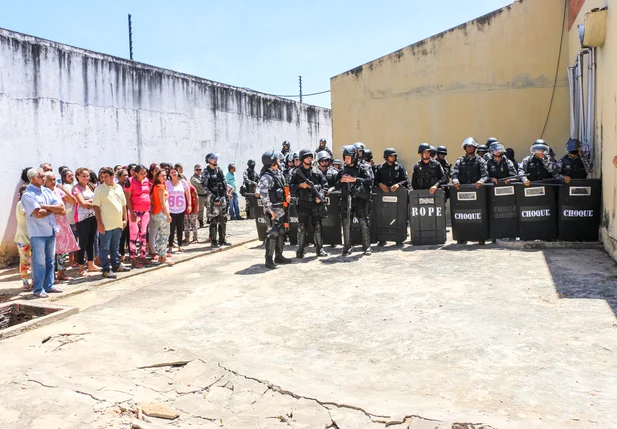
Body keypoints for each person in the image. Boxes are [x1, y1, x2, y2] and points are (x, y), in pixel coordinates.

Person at [21, 168, 65, 298]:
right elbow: (38, 214)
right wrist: (52, 208)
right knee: (39, 261)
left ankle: (49, 285)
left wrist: (44, 206)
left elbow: (61, 207)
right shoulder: (28, 194)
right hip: (38, 232)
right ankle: (38, 289)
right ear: (33, 178)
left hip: (51, 229)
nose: (43, 178)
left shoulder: (46, 191)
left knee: (50, 260)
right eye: (41, 176)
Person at [334, 145, 374, 256]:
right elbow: (336, 185)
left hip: (359, 199)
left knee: (363, 222)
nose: (346, 160)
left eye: (348, 157)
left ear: (354, 157)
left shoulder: (362, 168)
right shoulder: (342, 170)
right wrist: (341, 180)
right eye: (345, 157)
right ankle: (347, 247)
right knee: (346, 224)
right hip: (346, 199)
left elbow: (369, 181)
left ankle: (367, 246)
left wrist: (354, 179)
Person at [290, 149, 329, 258]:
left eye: (310, 157)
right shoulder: (296, 173)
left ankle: (320, 249)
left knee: (317, 226)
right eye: (307, 157)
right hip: (303, 203)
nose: (309, 159)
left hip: (315, 204)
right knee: (302, 227)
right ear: (302, 159)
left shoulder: (317, 171)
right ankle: (300, 250)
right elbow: (291, 188)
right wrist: (300, 185)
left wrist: (320, 196)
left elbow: (325, 186)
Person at [258, 150, 293, 269]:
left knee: (282, 232)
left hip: (281, 208)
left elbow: (284, 187)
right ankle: (268, 259)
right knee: (273, 233)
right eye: (276, 159)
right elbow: (263, 194)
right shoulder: (266, 177)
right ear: (272, 162)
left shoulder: (278, 173)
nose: (279, 161)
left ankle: (279, 256)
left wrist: (287, 196)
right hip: (273, 210)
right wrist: (270, 210)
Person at [93, 167, 129, 278]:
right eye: (102, 177)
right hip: (106, 224)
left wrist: (125, 219)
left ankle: (116, 265)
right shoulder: (99, 189)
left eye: (106, 176)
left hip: (118, 223)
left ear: (112, 176)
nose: (104, 179)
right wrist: (99, 223)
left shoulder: (118, 187)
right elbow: (96, 207)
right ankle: (105, 269)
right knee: (104, 247)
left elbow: (123, 205)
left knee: (115, 246)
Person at [44, 172, 79, 282]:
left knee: (62, 251)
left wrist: (63, 189)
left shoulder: (58, 190)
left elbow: (73, 201)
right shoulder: (43, 192)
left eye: (55, 179)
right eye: (51, 180)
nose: (54, 182)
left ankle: (61, 272)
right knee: (51, 251)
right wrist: (57, 211)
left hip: (62, 224)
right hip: (50, 224)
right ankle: (51, 275)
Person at [73, 167, 99, 276]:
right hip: (82, 218)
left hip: (93, 217)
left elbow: (98, 200)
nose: (86, 178)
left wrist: (90, 202)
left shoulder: (91, 186)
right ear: (78, 176)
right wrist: (93, 203)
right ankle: (81, 267)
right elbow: (82, 203)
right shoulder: (76, 188)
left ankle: (90, 264)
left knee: (91, 241)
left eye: (87, 176)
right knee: (82, 242)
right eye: (83, 176)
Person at [124, 165, 151, 268]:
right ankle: (133, 258)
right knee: (134, 235)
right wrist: (131, 213)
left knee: (143, 234)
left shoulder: (146, 180)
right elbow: (127, 198)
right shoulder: (130, 182)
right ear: (135, 173)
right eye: (141, 173)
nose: (144, 175)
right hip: (135, 212)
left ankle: (143, 256)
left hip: (146, 211)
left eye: (145, 173)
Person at [201, 153, 230, 247]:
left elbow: (224, 183)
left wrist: (226, 196)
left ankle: (222, 239)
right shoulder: (206, 172)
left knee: (223, 219)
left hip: (222, 198)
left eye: (216, 158)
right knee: (214, 220)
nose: (215, 160)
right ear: (208, 160)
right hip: (212, 200)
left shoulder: (219, 170)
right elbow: (204, 187)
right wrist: (213, 197)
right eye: (213, 158)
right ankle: (214, 240)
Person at [150, 169, 173, 265]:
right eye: (162, 175)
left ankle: (161, 255)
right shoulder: (159, 187)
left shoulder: (162, 186)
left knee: (161, 234)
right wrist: (167, 215)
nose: (164, 177)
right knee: (164, 234)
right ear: (157, 177)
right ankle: (162, 256)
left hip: (158, 212)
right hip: (161, 213)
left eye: (165, 175)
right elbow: (161, 203)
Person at [167, 166, 191, 254]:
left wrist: (189, 205)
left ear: (178, 173)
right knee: (171, 229)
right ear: (169, 174)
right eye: (171, 172)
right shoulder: (167, 183)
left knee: (180, 228)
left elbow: (188, 194)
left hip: (181, 209)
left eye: (175, 172)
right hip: (171, 210)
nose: (173, 173)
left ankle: (180, 246)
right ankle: (170, 246)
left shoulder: (183, 182)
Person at [14, 185, 32, 291]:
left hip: (32, 234)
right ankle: (25, 282)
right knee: (24, 260)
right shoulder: (21, 204)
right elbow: (29, 214)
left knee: (34, 260)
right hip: (23, 236)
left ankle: (34, 281)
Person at [115, 169, 130, 263]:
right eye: (124, 175)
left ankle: (130, 253)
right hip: (120, 212)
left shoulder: (128, 185)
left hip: (129, 211)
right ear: (119, 177)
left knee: (129, 234)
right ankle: (121, 254)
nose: (126, 177)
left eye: (127, 175)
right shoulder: (116, 187)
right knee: (121, 235)